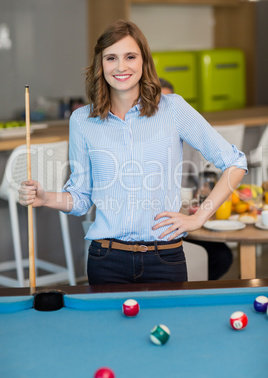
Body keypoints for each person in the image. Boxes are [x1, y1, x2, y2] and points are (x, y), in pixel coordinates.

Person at [19, 20, 247, 285]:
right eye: (111, 58)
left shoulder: (172, 109)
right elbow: (81, 198)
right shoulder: (81, 120)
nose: (121, 67)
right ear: (100, 64)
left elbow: (235, 163)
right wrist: (45, 198)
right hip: (106, 260)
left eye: (130, 56)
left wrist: (199, 217)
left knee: (166, 328)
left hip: (165, 258)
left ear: (144, 61)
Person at [159, 78, 234, 280]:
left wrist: (205, 191)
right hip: (162, 227)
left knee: (222, 255)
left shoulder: (189, 139)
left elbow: (204, 176)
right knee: (219, 255)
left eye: (170, 102)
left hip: (187, 217)